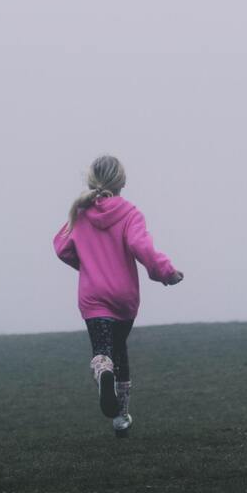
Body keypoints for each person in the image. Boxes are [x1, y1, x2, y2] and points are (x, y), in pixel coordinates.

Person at [53, 155, 183, 437]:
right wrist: (167, 273)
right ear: (122, 182)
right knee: (120, 350)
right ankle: (121, 418)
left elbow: (62, 247)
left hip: (93, 297)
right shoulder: (130, 214)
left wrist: (87, 265)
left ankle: (103, 374)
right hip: (124, 298)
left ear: (91, 180)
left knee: (103, 351)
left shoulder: (80, 213)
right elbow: (142, 248)